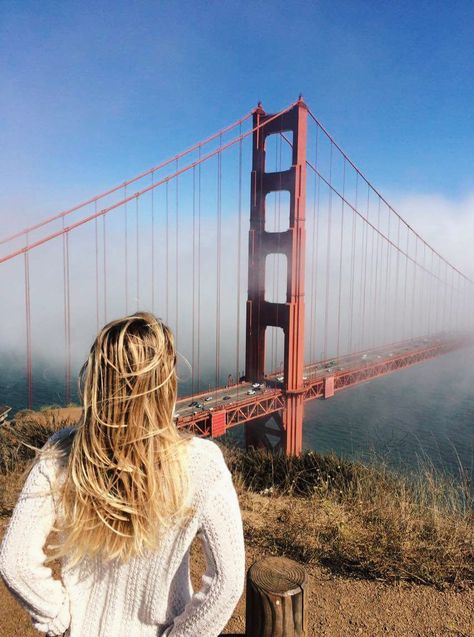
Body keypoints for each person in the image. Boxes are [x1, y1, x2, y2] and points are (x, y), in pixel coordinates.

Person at [0, 313, 245, 636]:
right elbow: (227, 583)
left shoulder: (63, 452)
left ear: (97, 381)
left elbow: (15, 562)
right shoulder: (203, 464)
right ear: (166, 384)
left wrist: (60, 619)